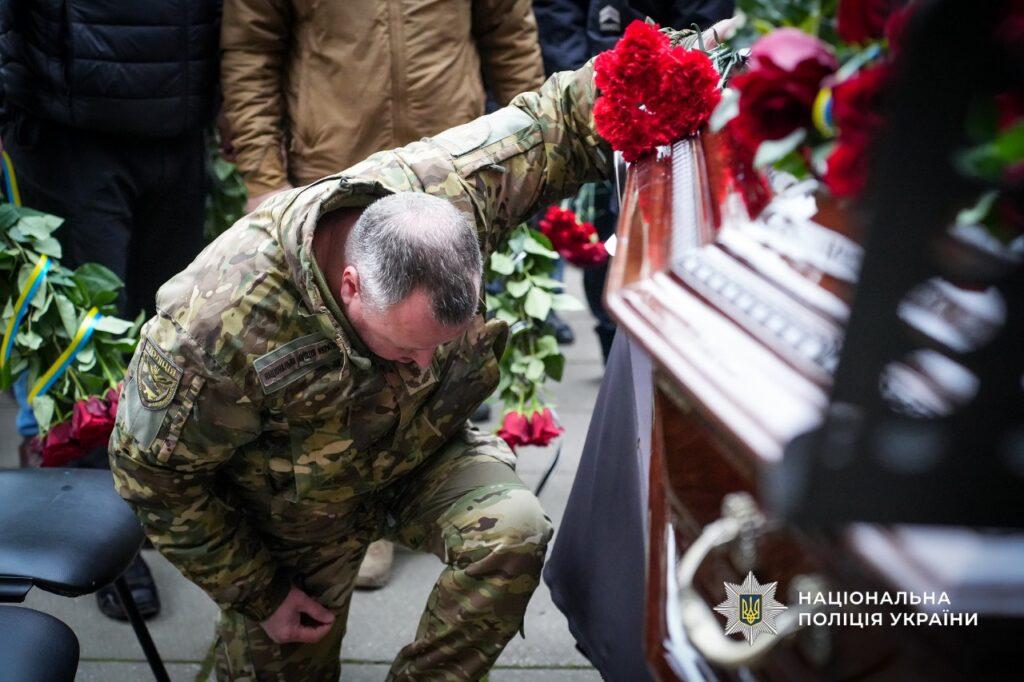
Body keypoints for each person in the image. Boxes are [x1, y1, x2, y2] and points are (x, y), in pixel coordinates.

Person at [109, 56, 611, 680]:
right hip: (293, 519)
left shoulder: (450, 188)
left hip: (422, 454)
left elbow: (561, 117)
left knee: (512, 532)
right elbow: (151, 473)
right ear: (351, 285)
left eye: (438, 347)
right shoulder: (215, 326)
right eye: (405, 350)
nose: (423, 365)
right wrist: (257, 593)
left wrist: (726, 50)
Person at [219, 0, 545, 586]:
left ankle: (430, 492)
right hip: (337, 166)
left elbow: (509, 34)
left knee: (437, 341)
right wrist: (265, 177)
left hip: (450, 163)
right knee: (355, 354)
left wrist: (528, 159)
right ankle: (357, 519)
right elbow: (252, 49)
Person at [0, 0, 221, 621]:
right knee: (88, 339)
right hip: (69, 127)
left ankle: (154, 500)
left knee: (170, 329)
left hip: (179, 124)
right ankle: (100, 529)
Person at [533, 0, 734, 361]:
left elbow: (710, 20)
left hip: (687, 97)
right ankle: (616, 345)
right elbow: (557, 15)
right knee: (607, 237)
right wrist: (588, 90)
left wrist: (682, 76)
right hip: (600, 78)